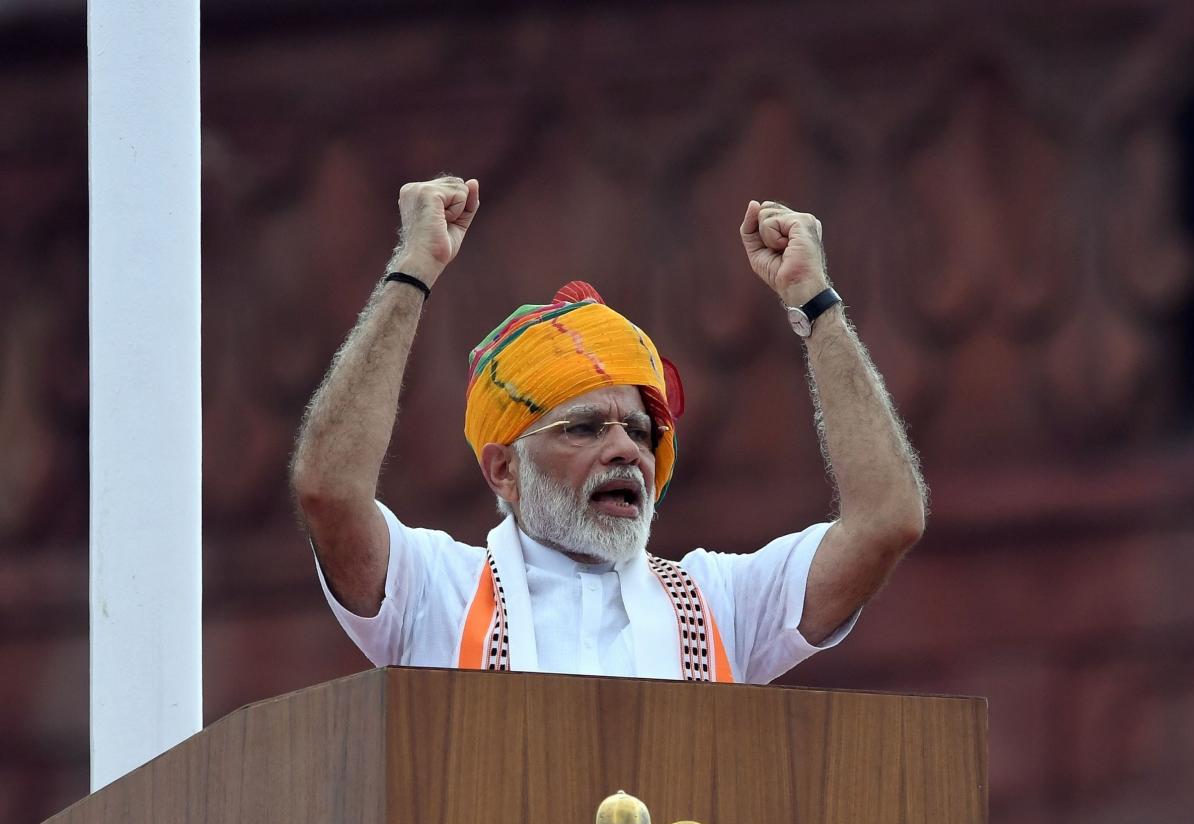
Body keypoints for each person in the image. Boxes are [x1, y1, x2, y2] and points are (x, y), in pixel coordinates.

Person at [290, 175, 926, 684]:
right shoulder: (434, 591)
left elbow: (887, 519)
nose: (626, 449)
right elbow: (329, 490)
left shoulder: (718, 606)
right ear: (504, 469)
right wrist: (411, 273)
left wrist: (816, 306)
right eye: (584, 428)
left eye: (643, 431)